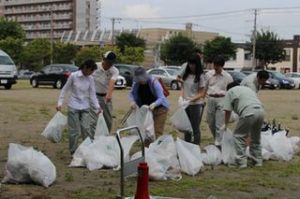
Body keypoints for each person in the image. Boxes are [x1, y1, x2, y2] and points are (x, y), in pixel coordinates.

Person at [56, 59, 101, 155]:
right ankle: (73, 151)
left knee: (86, 128)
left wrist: (98, 107)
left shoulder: (90, 79)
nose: (91, 73)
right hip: (73, 105)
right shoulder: (73, 76)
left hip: (85, 106)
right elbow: (65, 90)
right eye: (91, 70)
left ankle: (87, 150)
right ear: (85, 68)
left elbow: (92, 94)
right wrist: (60, 103)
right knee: (74, 131)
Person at [223, 82, 265, 168]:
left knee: (239, 136)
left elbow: (227, 111)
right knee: (255, 137)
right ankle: (258, 161)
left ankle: (241, 162)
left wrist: (225, 124)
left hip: (248, 112)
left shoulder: (230, 92)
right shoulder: (247, 89)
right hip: (261, 112)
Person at [129, 67, 169, 145]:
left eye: (142, 79)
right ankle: (147, 151)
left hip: (160, 109)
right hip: (146, 110)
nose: (141, 81)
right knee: (146, 131)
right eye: (139, 80)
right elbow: (131, 94)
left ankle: (156, 151)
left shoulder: (154, 82)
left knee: (157, 132)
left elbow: (161, 97)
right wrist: (132, 101)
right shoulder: (136, 83)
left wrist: (154, 104)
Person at [205, 55, 233, 147]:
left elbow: (230, 90)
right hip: (210, 98)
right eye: (215, 65)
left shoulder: (228, 76)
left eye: (218, 66)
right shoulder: (208, 75)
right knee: (210, 121)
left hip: (222, 99)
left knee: (219, 123)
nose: (216, 67)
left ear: (222, 66)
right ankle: (217, 139)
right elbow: (204, 88)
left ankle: (219, 144)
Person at [178, 53, 205, 145]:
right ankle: (187, 146)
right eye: (190, 64)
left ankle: (196, 146)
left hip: (195, 105)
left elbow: (201, 93)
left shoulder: (200, 76)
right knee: (186, 127)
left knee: (195, 127)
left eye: (193, 64)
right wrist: (181, 97)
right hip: (185, 104)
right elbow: (183, 87)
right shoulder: (186, 74)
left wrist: (191, 100)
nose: (191, 66)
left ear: (197, 64)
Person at [90, 51, 119, 133]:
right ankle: (92, 137)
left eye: (112, 63)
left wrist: (109, 95)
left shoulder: (114, 70)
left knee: (108, 119)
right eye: (109, 62)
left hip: (105, 97)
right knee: (93, 119)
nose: (110, 65)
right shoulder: (95, 66)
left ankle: (105, 137)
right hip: (94, 96)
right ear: (104, 59)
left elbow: (112, 82)